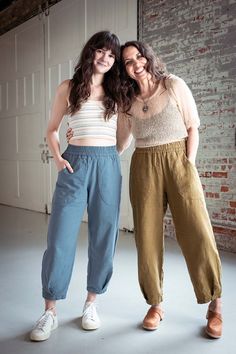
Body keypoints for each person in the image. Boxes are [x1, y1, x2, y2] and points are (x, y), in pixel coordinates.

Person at [118, 41, 222, 339]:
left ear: (148, 58)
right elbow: (121, 143)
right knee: (147, 238)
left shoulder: (173, 85)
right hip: (143, 166)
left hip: (178, 161)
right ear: (124, 70)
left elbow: (193, 127)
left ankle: (215, 306)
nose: (135, 64)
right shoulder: (128, 101)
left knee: (198, 232)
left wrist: (188, 165)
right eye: (127, 61)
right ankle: (155, 304)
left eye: (138, 56)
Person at [30, 31, 128, 342]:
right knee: (60, 236)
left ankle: (91, 303)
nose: (105, 58)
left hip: (107, 164)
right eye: (101, 51)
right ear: (91, 53)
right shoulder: (69, 88)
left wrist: (111, 158)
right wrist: (59, 158)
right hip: (74, 163)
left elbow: (125, 134)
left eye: (112, 56)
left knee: (104, 235)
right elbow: (51, 129)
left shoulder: (118, 92)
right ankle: (50, 310)